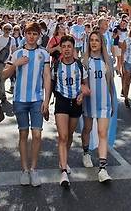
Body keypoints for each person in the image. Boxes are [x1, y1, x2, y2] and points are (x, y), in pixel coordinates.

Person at [2, 21, 51, 187]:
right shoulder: (17, 53)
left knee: (37, 134)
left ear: (39, 36)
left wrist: (46, 100)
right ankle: (24, 170)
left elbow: (46, 77)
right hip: (20, 100)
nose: (31, 36)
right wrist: (15, 65)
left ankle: (34, 169)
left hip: (36, 99)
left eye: (35, 34)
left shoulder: (43, 54)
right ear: (25, 34)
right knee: (23, 134)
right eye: (29, 33)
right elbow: (3, 75)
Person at [47, 35, 89, 188]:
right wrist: (46, 104)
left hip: (75, 103)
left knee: (69, 135)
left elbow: (85, 84)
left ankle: (63, 160)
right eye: (63, 46)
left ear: (73, 48)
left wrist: (82, 94)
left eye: (69, 47)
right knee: (63, 136)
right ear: (61, 49)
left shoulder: (79, 65)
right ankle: (64, 171)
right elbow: (51, 85)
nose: (66, 49)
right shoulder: (56, 66)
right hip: (61, 102)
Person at [81, 30, 116, 183]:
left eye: (97, 40)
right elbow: (81, 82)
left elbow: (111, 85)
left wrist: (114, 103)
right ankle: (86, 152)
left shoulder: (107, 61)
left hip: (104, 103)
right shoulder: (84, 61)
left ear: (102, 43)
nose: (94, 42)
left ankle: (102, 168)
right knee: (87, 129)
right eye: (91, 40)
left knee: (103, 133)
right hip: (88, 103)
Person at [0, 23, 13, 102]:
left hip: (8, 62)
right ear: (3, 29)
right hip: (0, 61)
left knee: (4, 78)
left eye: (9, 29)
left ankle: (0, 89)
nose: (7, 31)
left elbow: (14, 49)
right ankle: (3, 95)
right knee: (2, 78)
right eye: (6, 29)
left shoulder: (12, 39)